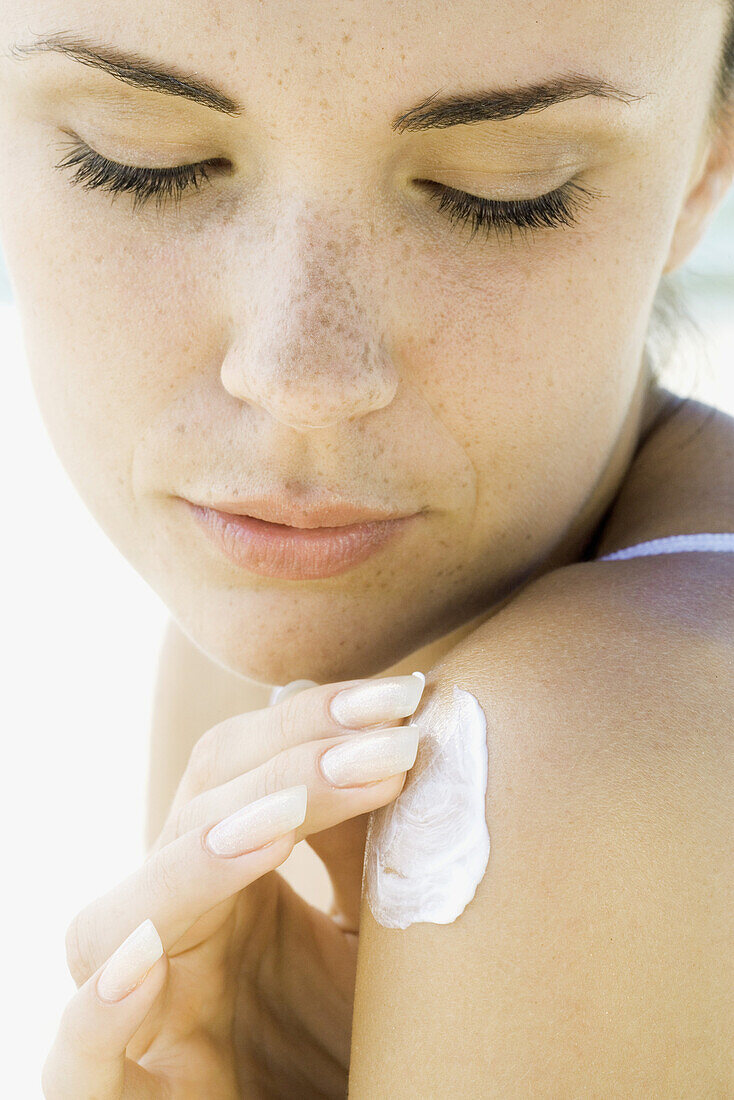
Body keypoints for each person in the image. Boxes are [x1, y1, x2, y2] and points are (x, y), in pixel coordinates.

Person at [0, 0, 730, 1094]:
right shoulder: (262, 626)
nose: (300, 378)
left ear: (700, 172)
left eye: (502, 186)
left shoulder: (585, 745)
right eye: (139, 161)